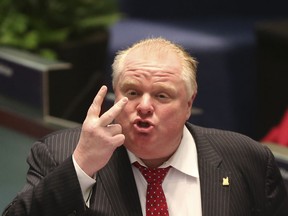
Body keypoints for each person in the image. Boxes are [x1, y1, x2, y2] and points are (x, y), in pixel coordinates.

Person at [2, 37, 288, 216]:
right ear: (115, 92)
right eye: (132, 92)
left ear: (189, 103)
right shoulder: (62, 153)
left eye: (162, 95)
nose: (144, 106)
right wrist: (81, 167)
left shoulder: (246, 159)